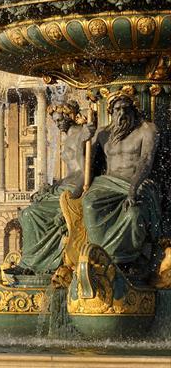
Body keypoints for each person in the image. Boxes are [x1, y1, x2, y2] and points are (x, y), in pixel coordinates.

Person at [82, 87, 161, 272]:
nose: (122, 113)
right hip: (108, 184)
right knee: (89, 204)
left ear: (134, 110)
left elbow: (146, 161)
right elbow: (84, 163)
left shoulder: (147, 130)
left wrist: (133, 188)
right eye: (117, 110)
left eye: (126, 108)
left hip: (137, 182)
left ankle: (129, 259)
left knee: (133, 213)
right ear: (110, 112)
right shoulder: (102, 134)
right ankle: (100, 254)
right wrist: (84, 139)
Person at [13, 100, 93, 275]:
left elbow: (83, 173)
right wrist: (52, 187)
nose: (58, 125)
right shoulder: (71, 137)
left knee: (30, 214)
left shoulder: (82, 135)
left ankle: (33, 263)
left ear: (70, 116)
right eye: (55, 121)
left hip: (72, 190)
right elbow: (72, 172)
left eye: (60, 120)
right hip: (64, 187)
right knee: (29, 209)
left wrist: (71, 199)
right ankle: (33, 262)